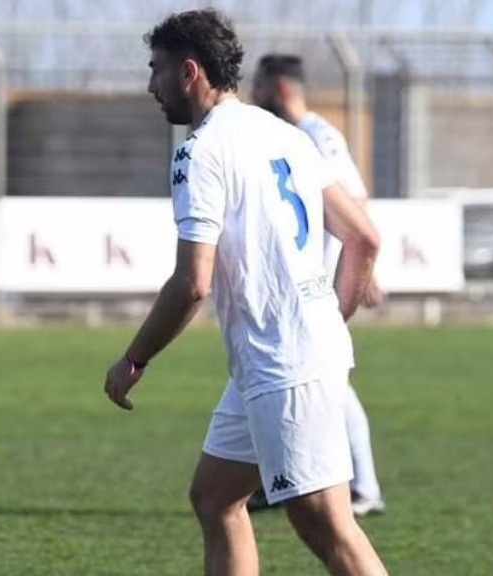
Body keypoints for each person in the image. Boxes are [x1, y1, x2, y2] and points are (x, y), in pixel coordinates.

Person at [103, 9, 388, 576]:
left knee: (328, 528)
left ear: (189, 71)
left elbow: (193, 282)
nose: (151, 85)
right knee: (215, 498)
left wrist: (134, 359)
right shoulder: (284, 134)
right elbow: (362, 238)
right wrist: (326, 321)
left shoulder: (200, 151)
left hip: (283, 363)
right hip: (276, 359)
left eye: (156, 69)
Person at [247, 54, 387, 517]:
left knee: (330, 383)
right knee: (269, 374)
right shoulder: (287, 135)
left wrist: (363, 270)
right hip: (295, 286)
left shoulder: (319, 136)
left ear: (281, 89)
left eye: (259, 86)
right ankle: (273, 478)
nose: (253, 94)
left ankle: (364, 488)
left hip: (319, 287)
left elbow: (355, 200)